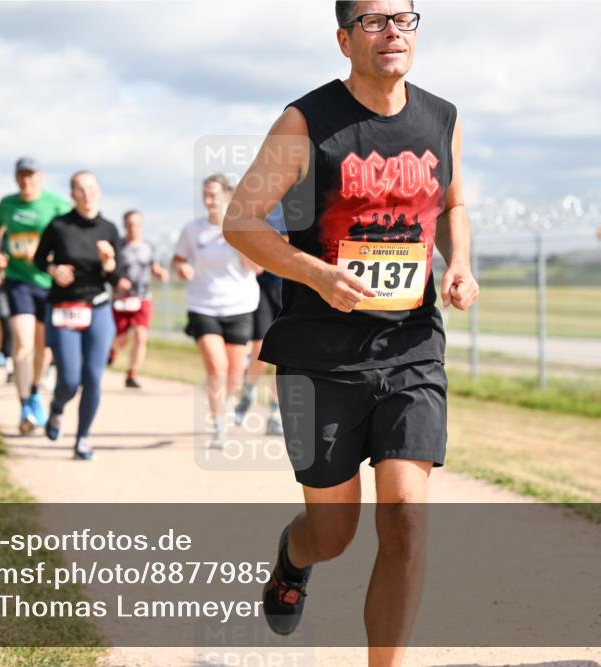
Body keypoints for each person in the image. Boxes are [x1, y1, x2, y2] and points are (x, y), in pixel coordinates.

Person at [221, 3, 479, 665]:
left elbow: (451, 204)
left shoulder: (442, 118)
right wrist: (315, 273)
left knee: (407, 520)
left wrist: (462, 266)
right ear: (343, 39)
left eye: (405, 18)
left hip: (412, 343)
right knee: (333, 532)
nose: (392, 31)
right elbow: (242, 220)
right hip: (320, 354)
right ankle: (292, 557)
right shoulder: (305, 123)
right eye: (372, 21)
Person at [34, 170, 122, 461]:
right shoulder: (59, 226)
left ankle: (83, 438)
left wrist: (109, 263)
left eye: (91, 188)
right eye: (80, 190)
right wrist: (53, 269)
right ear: (72, 195)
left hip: (97, 306)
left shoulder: (109, 229)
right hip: (64, 308)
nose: (87, 194)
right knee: (70, 379)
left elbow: (116, 276)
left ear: (99, 190)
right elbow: (38, 259)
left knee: (93, 378)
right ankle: (57, 408)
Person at [172, 174, 260, 449]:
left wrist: (235, 240)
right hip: (203, 306)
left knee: (234, 374)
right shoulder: (192, 230)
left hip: (240, 306)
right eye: (205, 194)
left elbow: (257, 268)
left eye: (214, 194)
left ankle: (232, 399)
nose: (209, 200)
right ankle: (219, 425)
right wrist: (181, 268)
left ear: (227, 196)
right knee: (216, 366)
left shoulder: (241, 228)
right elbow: (178, 258)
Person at [0, 157, 72, 433]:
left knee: (43, 347)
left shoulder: (57, 204)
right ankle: (25, 404)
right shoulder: (7, 204)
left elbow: (69, 236)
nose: (27, 181)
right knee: (22, 341)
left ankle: (35, 390)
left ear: (41, 177)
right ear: (16, 178)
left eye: (31, 175)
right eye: (22, 176)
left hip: (47, 283)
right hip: (17, 280)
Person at [234, 205, 287, 436]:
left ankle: (274, 413)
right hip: (264, 287)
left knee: (285, 356)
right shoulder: (266, 205)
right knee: (260, 350)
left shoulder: (309, 205)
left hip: (293, 288)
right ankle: (249, 390)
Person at [109, 209, 169, 388]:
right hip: (121, 300)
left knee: (141, 335)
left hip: (142, 298)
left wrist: (160, 273)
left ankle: (131, 374)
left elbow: (154, 266)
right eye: (130, 224)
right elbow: (110, 269)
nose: (133, 228)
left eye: (137, 224)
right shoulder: (118, 246)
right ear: (124, 225)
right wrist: (118, 281)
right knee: (120, 338)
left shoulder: (148, 247)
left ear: (142, 226)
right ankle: (112, 351)